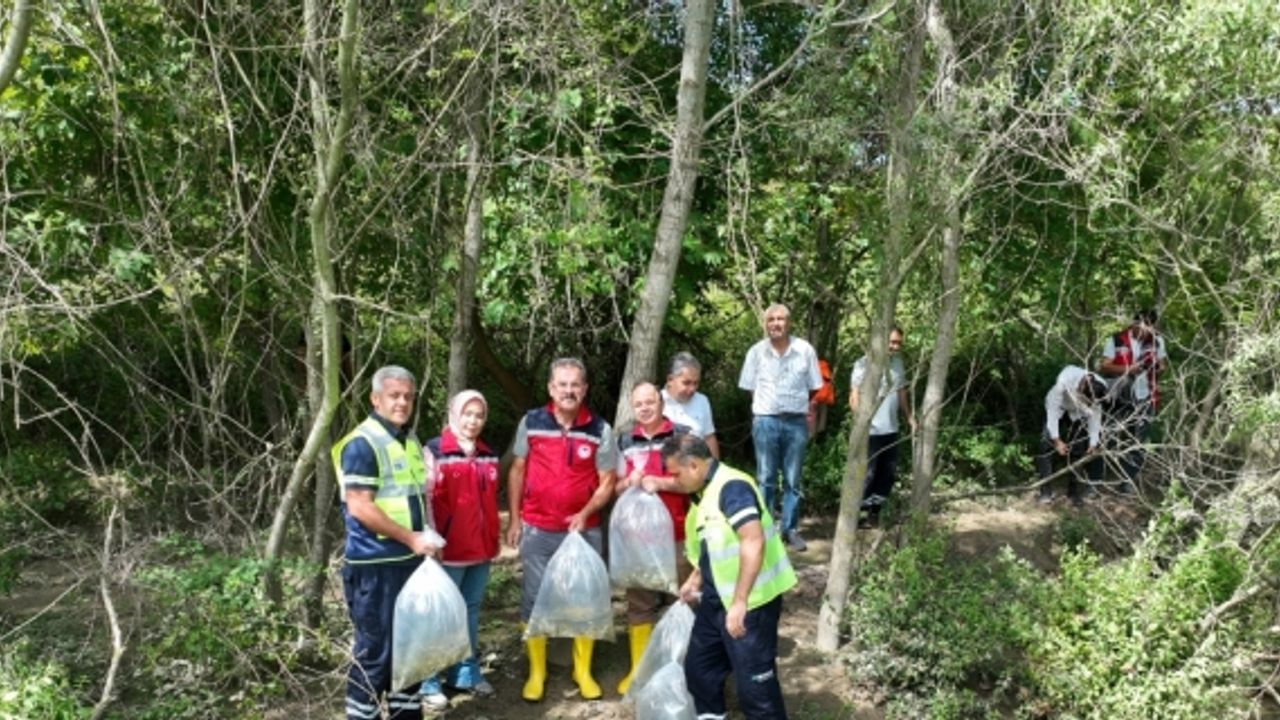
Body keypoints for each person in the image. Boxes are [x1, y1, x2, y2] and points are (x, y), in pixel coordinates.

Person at [504, 358, 617, 702]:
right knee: (533, 598)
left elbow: (608, 481)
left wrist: (586, 512)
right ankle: (537, 672)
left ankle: (583, 671)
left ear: (585, 389)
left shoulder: (600, 429)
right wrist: (514, 519)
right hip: (538, 528)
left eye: (575, 385)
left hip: (583, 530)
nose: (569, 391)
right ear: (551, 388)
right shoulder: (532, 422)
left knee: (584, 599)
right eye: (562, 384)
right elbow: (517, 470)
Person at [664, 433, 797, 720]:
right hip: (715, 601)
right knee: (700, 671)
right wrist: (696, 578)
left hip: (751, 602)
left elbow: (753, 540)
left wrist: (740, 602)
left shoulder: (732, 488)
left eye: (676, 474)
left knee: (756, 689)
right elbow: (714, 545)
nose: (674, 481)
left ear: (694, 466)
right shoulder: (702, 494)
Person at [332, 366, 440, 720]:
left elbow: (414, 499)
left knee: (408, 652)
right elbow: (360, 506)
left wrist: (426, 538)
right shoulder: (363, 443)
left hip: (410, 563)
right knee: (375, 656)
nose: (402, 402)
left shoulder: (408, 440)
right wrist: (411, 538)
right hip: (376, 566)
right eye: (394, 396)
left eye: (408, 396)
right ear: (375, 399)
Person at [419, 390, 500, 707]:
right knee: (440, 614)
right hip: (447, 549)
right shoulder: (435, 450)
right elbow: (425, 498)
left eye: (479, 415)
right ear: (453, 413)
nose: (473, 421)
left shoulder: (488, 453)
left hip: (480, 549)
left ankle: (465, 674)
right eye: (467, 413)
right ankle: (428, 681)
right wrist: (432, 538)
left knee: (470, 610)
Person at [613, 382, 694, 695]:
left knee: (682, 599)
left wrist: (660, 483)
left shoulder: (682, 436)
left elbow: (695, 482)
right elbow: (614, 487)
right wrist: (627, 483)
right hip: (637, 539)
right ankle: (639, 672)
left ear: (661, 403)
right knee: (639, 604)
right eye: (639, 404)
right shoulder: (624, 440)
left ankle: (679, 670)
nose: (644, 408)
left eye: (650, 402)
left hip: (677, 534)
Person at [737, 304, 824, 552]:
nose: (776, 323)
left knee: (793, 479)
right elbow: (750, 388)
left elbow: (814, 387)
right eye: (771, 319)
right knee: (765, 477)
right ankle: (764, 530)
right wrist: (766, 408)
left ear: (789, 322)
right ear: (766, 324)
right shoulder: (756, 352)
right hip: (765, 420)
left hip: (796, 421)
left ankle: (790, 529)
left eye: (781, 319)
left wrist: (797, 406)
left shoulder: (805, 350)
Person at [848, 327, 916, 527]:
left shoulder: (898, 364)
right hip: (871, 430)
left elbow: (901, 392)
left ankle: (874, 512)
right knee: (868, 473)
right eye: (892, 342)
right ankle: (857, 514)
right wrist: (860, 421)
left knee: (887, 473)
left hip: (891, 428)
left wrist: (909, 418)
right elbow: (854, 394)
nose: (895, 347)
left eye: (898, 343)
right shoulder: (863, 363)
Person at [1098, 309, 1169, 491]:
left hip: (1146, 395)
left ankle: (1128, 480)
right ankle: (1097, 478)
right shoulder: (1117, 340)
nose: (1146, 331)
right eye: (1142, 326)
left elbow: (1163, 366)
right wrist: (1128, 369)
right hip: (1119, 395)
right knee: (1107, 434)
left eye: (1150, 327)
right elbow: (1104, 366)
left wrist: (1158, 368)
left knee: (1138, 439)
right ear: (1135, 324)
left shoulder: (1157, 341)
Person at [1036, 365, 1108, 505]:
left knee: (1078, 448)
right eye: (1088, 401)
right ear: (1081, 389)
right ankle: (1046, 492)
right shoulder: (1065, 378)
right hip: (1057, 408)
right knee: (1045, 445)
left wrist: (1093, 443)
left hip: (1078, 413)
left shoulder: (1100, 387)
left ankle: (1073, 493)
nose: (1090, 404)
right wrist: (1057, 441)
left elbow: (1095, 417)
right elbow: (1052, 412)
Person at [662, 351, 720, 458]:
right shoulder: (655, 402)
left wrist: (715, 465)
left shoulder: (702, 401)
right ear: (670, 380)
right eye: (686, 383)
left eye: (696, 383)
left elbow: (709, 437)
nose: (692, 388)